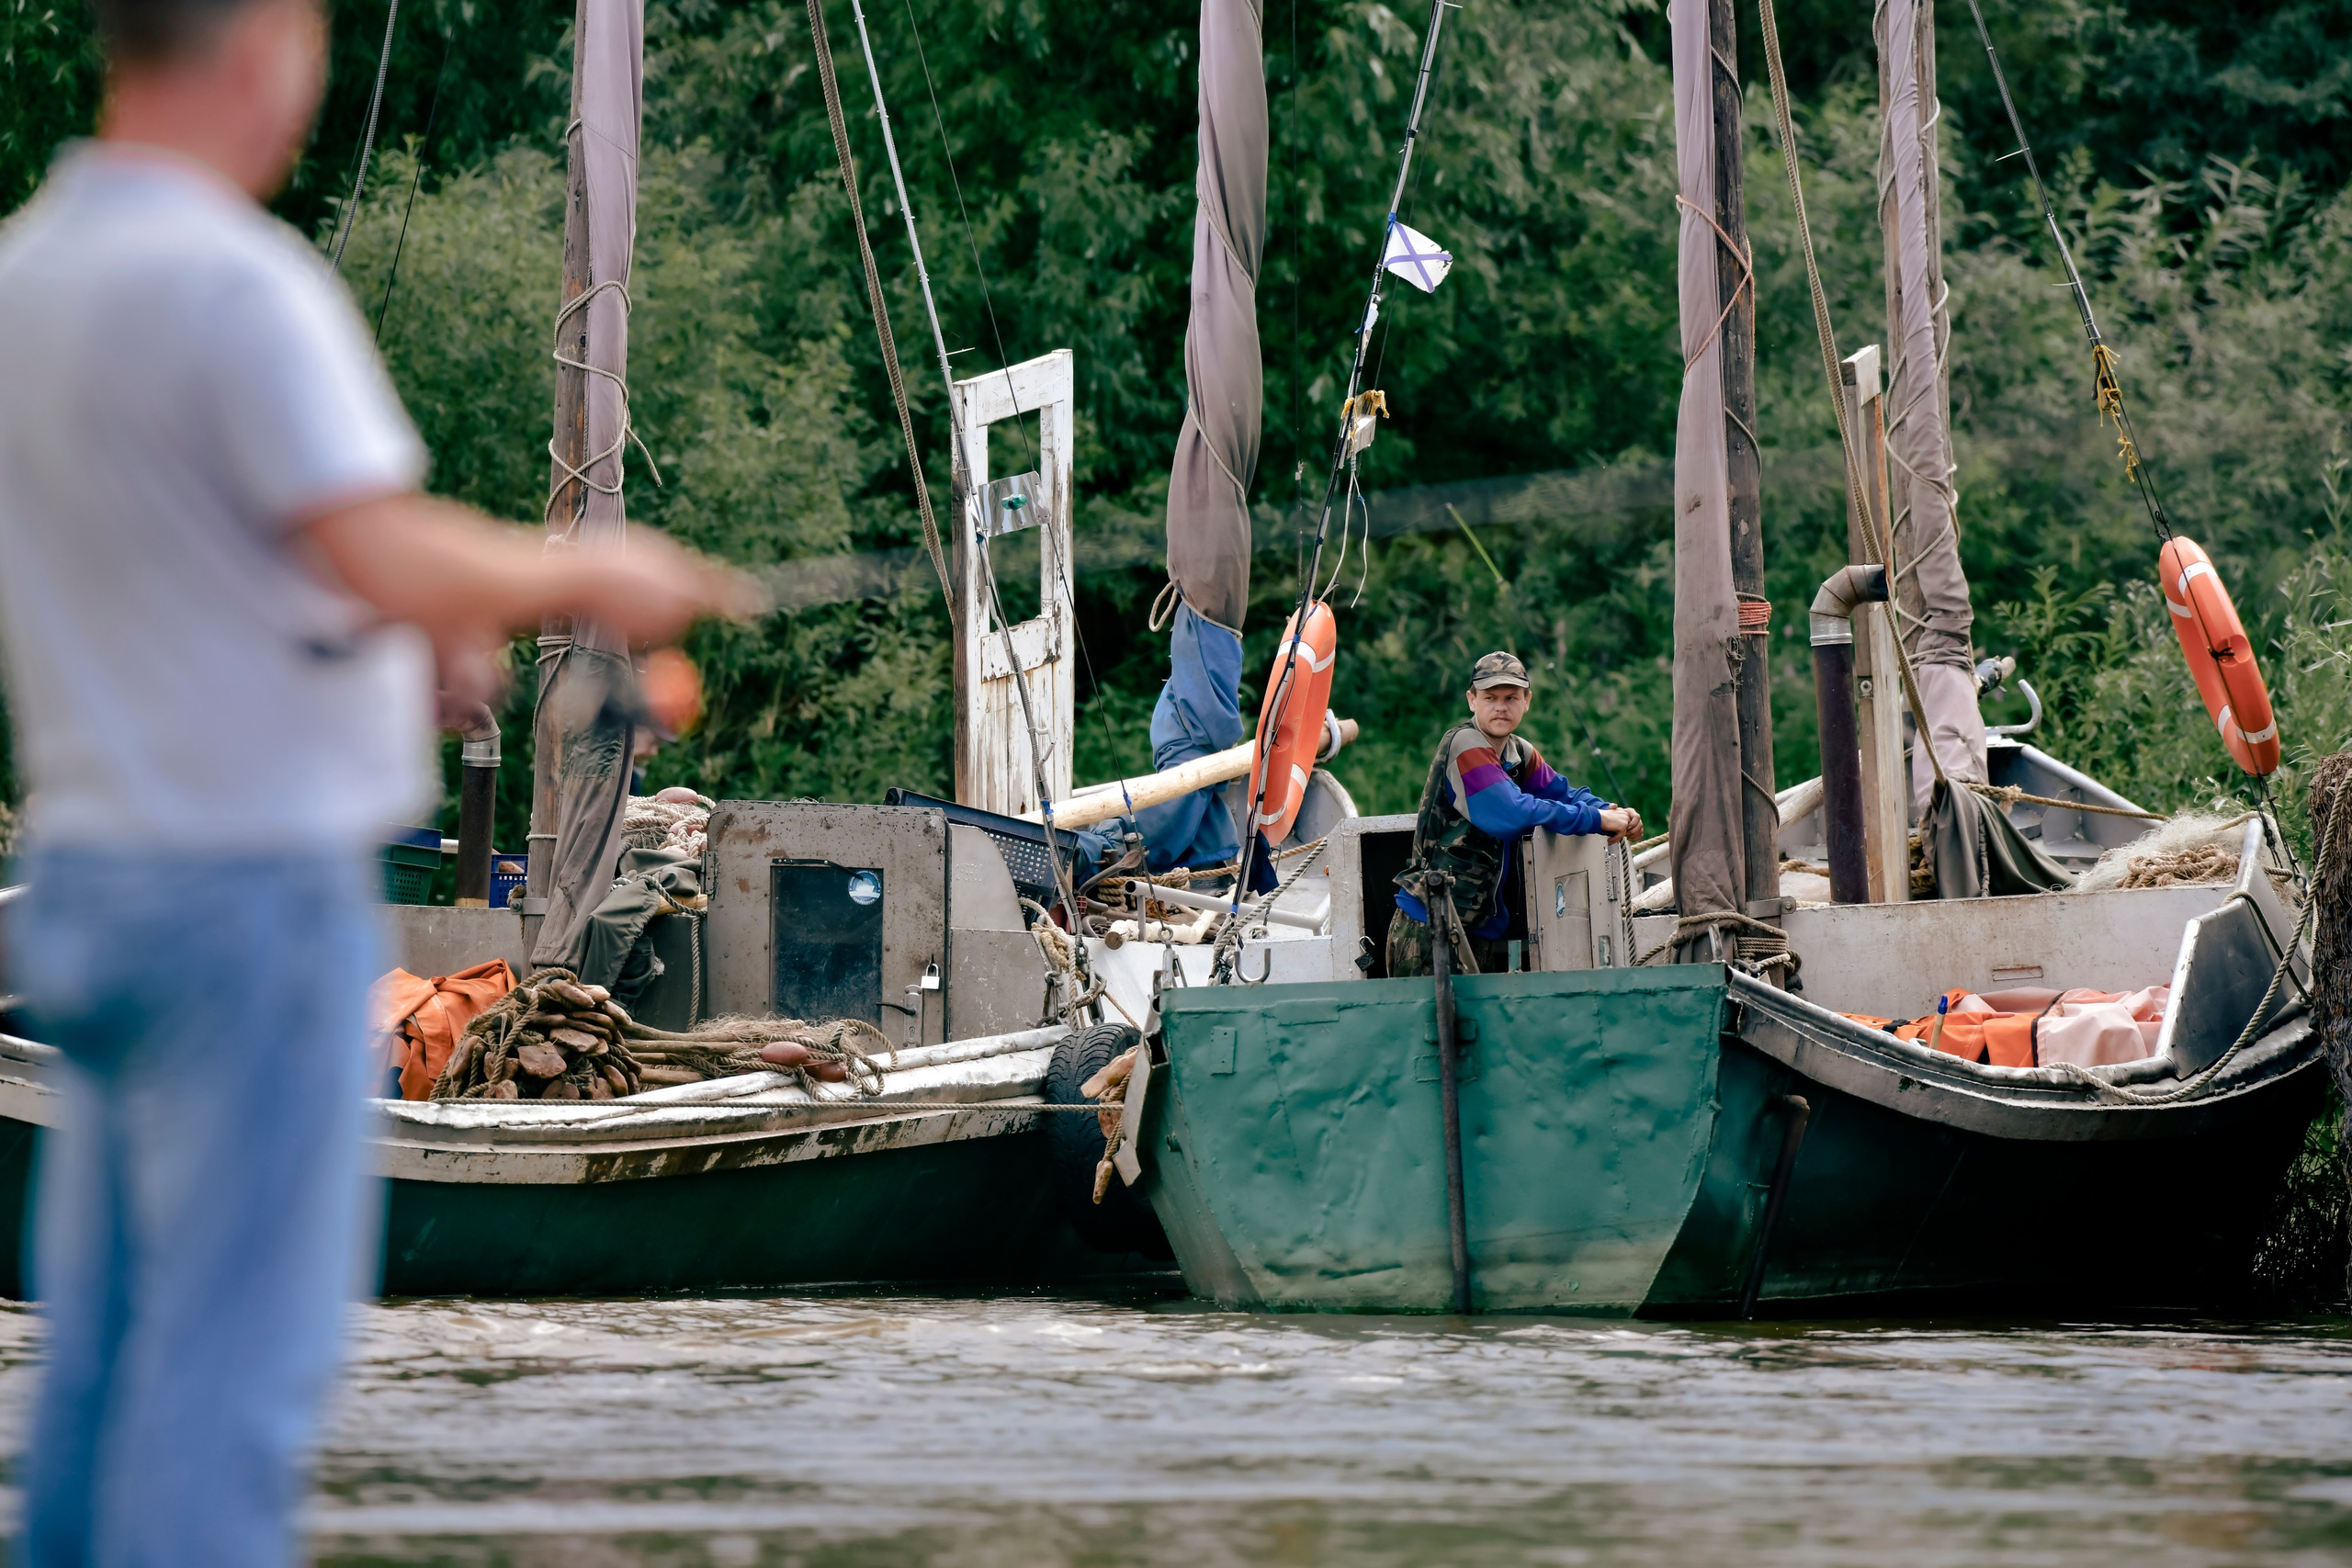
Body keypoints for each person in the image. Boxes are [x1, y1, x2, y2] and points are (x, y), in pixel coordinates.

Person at [0, 0, 756, 1558]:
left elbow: (205, 569)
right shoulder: (231, 282)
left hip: (96, 891)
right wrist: (601, 567)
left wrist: (385, 638)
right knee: (229, 1385)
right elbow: (372, 538)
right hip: (244, 907)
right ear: (267, 39)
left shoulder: (32, 278)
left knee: (106, 1374)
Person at [1388, 652, 1642, 977]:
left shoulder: (1518, 752)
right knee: (1432, 1029)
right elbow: (1512, 813)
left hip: (1476, 929)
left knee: (1473, 1029)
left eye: (1511, 698)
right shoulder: (1465, 745)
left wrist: (1611, 811)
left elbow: (1563, 794)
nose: (1500, 707)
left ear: (1527, 701)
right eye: (1490, 697)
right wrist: (1596, 821)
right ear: (1472, 700)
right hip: (1430, 925)